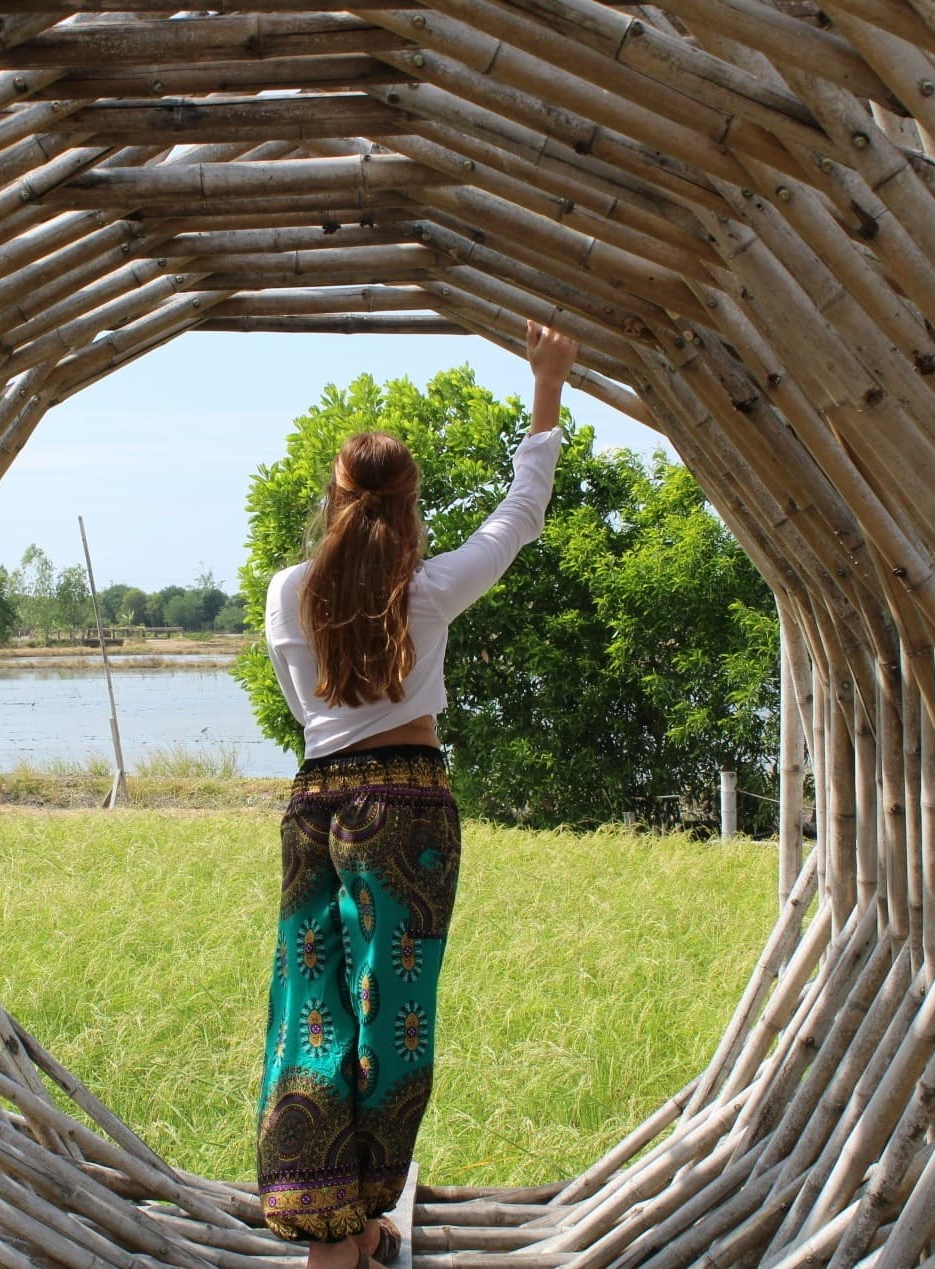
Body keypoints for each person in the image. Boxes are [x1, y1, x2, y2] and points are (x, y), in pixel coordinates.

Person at [255, 321, 581, 1269]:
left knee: (310, 1010)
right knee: (393, 1019)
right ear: (410, 505)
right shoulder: (428, 590)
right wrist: (546, 385)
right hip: (408, 811)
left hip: (316, 805)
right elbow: (521, 513)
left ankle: (331, 1221)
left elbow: (304, 711)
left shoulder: (286, 593)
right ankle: (356, 1220)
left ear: (334, 499)